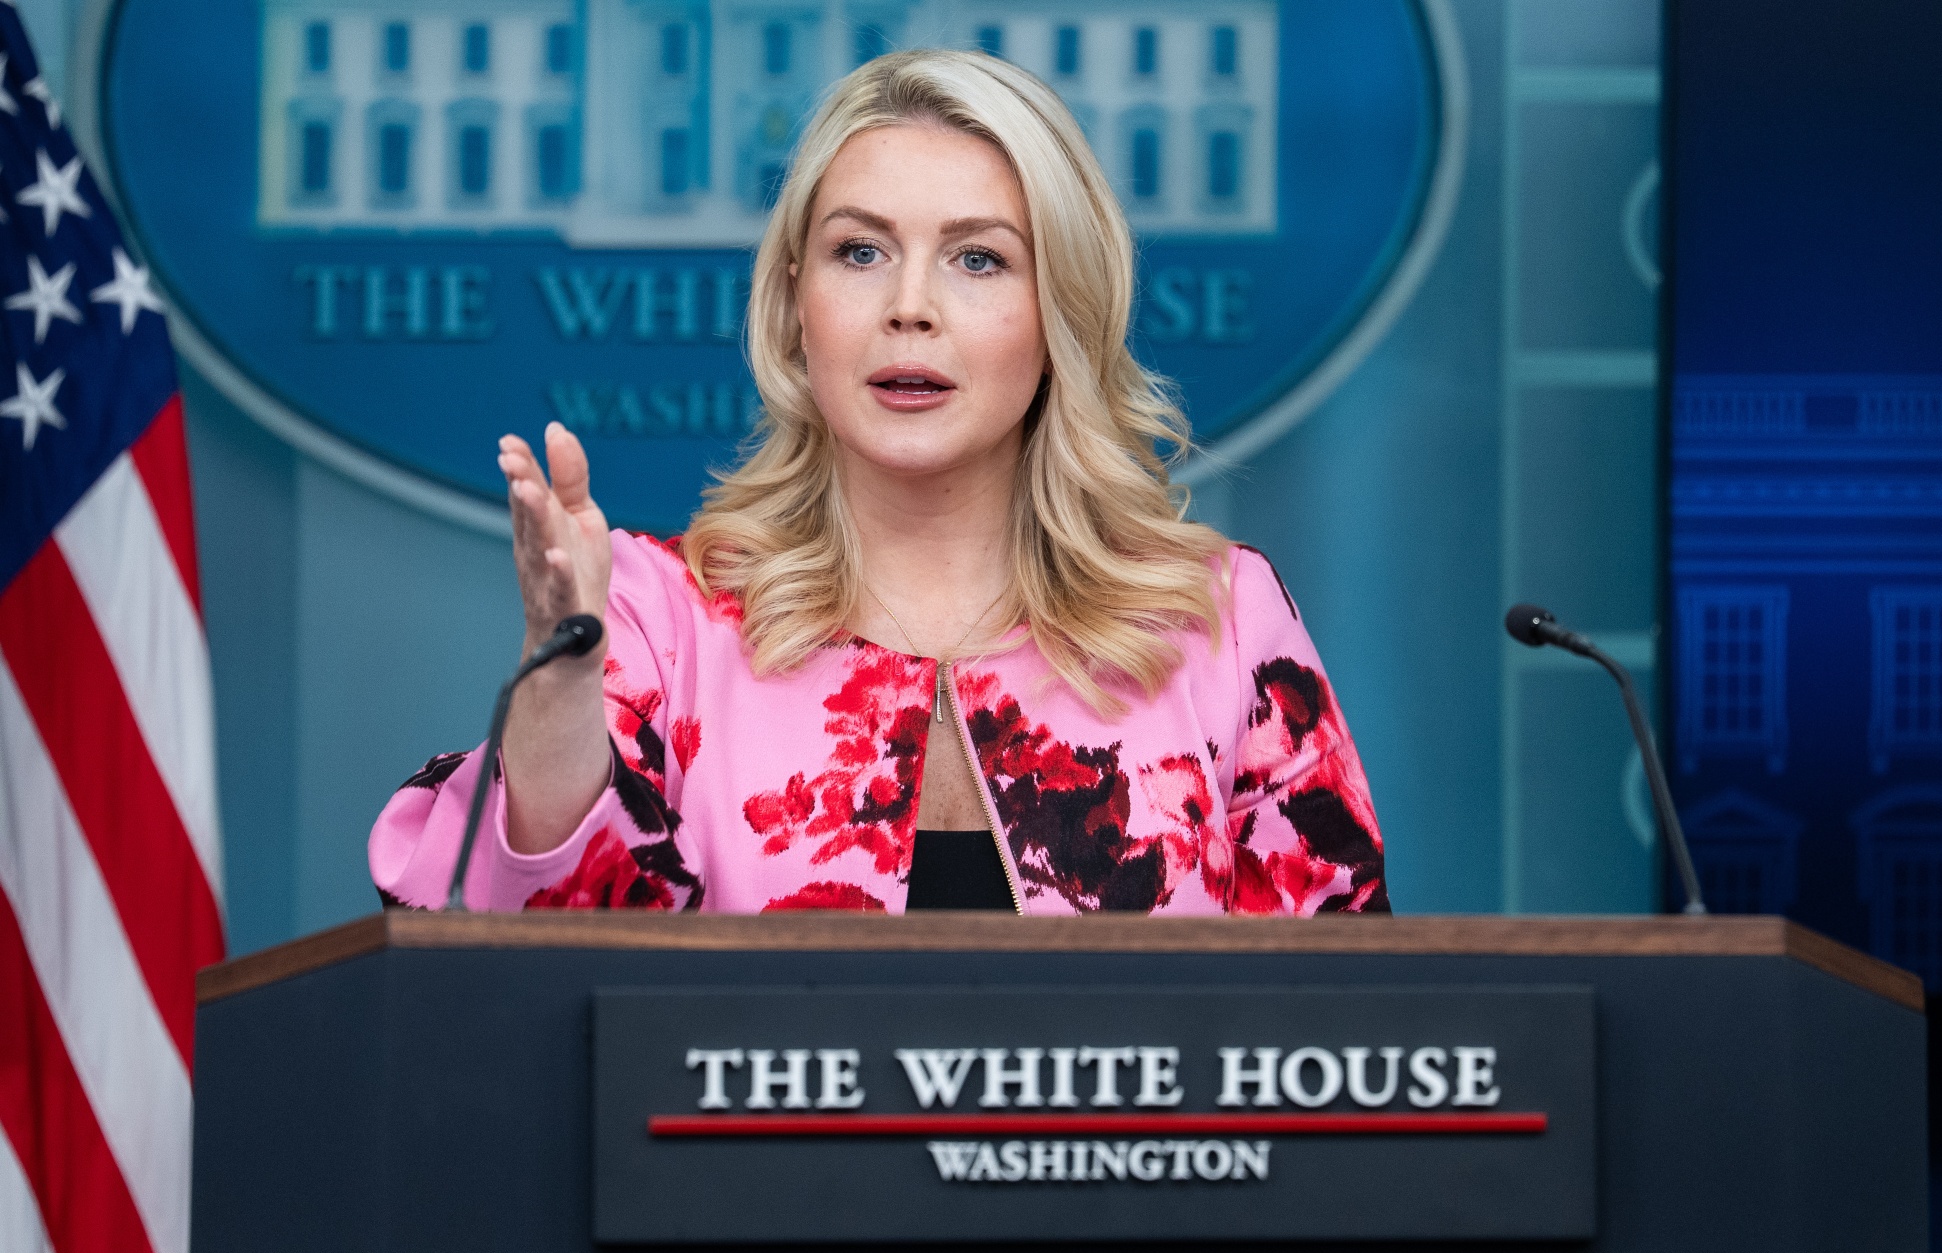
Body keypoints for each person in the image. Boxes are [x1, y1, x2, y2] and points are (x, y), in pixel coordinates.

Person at [369, 49, 1385, 916]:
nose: (909, 306)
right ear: (794, 308)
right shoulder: (660, 618)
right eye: (858, 251)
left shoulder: (1217, 624)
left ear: (1059, 313)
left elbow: (1347, 1038)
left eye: (977, 261)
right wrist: (559, 678)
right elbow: (509, 970)